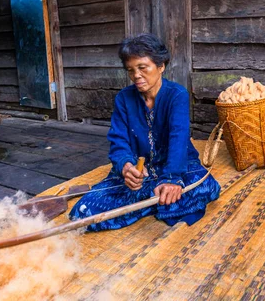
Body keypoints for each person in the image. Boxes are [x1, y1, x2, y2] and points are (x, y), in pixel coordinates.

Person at [69, 34, 221, 230]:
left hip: (177, 165)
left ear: (160, 66)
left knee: (205, 187)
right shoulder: (124, 99)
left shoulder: (177, 95)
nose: (136, 76)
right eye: (131, 70)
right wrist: (126, 167)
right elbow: (118, 141)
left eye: (142, 67)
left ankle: (149, 200)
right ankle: (157, 200)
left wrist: (172, 179)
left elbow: (178, 137)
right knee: (83, 211)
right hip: (142, 171)